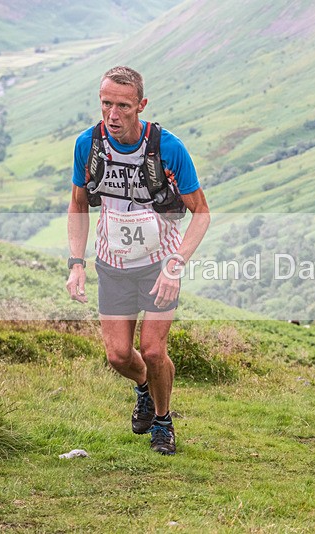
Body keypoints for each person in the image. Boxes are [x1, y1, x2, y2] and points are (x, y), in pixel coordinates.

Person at [66, 66, 210, 455]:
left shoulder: (168, 148)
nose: (112, 115)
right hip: (112, 263)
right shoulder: (88, 144)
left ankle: (163, 421)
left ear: (141, 105)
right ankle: (145, 389)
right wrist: (76, 263)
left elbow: (202, 213)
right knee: (117, 355)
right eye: (106, 104)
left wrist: (175, 265)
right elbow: (79, 204)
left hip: (159, 263)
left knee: (151, 349)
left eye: (123, 106)